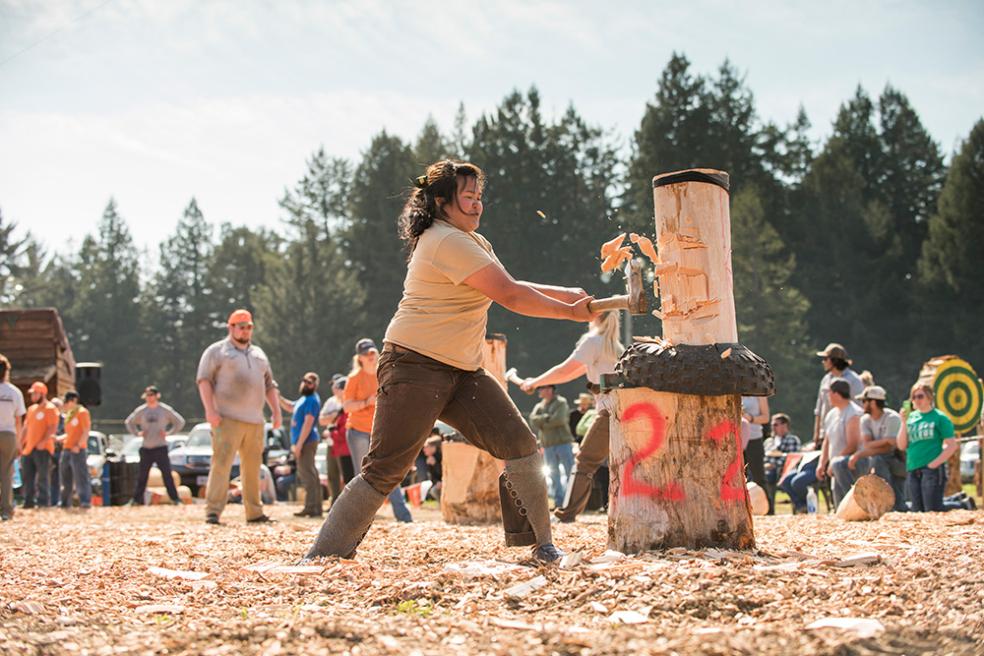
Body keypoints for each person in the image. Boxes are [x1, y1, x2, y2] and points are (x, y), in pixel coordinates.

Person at [303, 159, 595, 564]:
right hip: (414, 365)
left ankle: (543, 546)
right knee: (385, 470)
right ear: (442, 202)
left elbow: (510, 285)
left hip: (463, 371)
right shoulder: (445, 240)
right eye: (468, 198)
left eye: (480, 198)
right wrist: (569, 313)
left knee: (521, 446)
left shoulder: (474, 241)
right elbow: (508, 295)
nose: (477, 206)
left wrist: (568, 295)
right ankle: (321, 557)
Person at [520, 312, 622, 523]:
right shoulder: (614, 346)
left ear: (596, 318)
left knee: (585, 461)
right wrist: (537, 382)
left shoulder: (593, 341)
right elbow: (569, 374)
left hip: (610, 410)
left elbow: (565, 369)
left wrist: (534, 383)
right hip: (624, 409)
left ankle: (566, 514)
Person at [197, 309, 282, 525]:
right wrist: (210, 410)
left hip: (255, 420)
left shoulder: (259, 354)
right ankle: (213, 511)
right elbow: (204, 380)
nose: (245, 330)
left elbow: (269, 385)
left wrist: (276, 411)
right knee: (222, 463)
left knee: (253, 468)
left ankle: (254, 512)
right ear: (231, 327)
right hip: (227, 418)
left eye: (249, 326)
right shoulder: (217, 351)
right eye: (241, 326)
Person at [344, 338, 413, 523]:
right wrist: (367, 402)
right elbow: (347, 406)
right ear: (359, 358)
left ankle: (403, 516)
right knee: (362, 474)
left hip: (379, 429)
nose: (371, 357)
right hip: (357, 431)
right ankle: (358, 517)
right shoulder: (353, 379)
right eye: (367, 354)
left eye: (373, 353)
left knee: (389, 469)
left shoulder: (382, 372)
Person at [836, 385, 906, 511]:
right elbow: (869, 444)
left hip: (897, 461)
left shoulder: (892, 418)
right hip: (873, 457)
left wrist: (860, 453)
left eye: (864, 401)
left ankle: (886, 504)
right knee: (839, 464)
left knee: (878, 460)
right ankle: (855, 505)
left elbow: (890, 448)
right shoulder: (865, 420)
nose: (861, 404)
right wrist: (884, 441)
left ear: (873, 402)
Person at [897, 382, 959, 512]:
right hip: (913, 467)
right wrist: (903, 422)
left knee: (933, 509)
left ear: (930, 397)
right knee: (918, 510)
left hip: (932, 469)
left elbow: (952, 445)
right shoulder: (911, 418)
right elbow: (902, 445)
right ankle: (961, 501)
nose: (916, 400)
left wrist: (934, 464)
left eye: (920, 396)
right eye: (913, 397)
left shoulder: (940, 418)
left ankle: (963, 505)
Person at [125, 385, 185, 506]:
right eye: (147, 395)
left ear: (157, 396)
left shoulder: (164, 410)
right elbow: (128, 422)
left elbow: (180, 421)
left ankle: (175, 499)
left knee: (167, 474)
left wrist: (169, 433)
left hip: (160, 447)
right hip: (146, 447)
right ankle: (136, 500)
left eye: (152, 395)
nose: (150, 398)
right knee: (142, 476)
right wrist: (137, 433)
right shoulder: (142, 411)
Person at [279, 372, 322, 517]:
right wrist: (276, 395)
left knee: (307, 474)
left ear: (315, 385)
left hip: (307, 442)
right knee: (310, 473)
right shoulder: (303, 399)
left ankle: (312, 508)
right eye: (304, 381)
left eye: (309, 382)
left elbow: (308, 423)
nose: (305, 384)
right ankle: (315, 507)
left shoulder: (312, 400)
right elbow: (290, 406)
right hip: (305, 442)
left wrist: (298, 445)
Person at [817, 378, 863, 507]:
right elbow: (827, 440)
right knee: (838, 504)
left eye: (829, 393)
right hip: (836, 465)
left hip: (849, 466)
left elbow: (852, 444)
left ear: (836, 394)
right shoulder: (831, 414)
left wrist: (834, 462)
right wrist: (822, 463)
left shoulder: (854, 413)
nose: (827, 396)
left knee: (850, 502)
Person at [528, 385, 575, 508]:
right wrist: (547, 418)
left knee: (571, 472)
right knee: (554, 476)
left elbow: (559, 420)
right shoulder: (539, 406)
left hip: (563, 443)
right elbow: (532, 420)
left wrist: (542, 423)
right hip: (548, 445)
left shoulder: (561, 402)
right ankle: (559, 502)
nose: (539, 391)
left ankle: (573, 501)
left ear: (549, 390)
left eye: (541, 389)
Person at [813, 343, 865, 450]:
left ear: (834, 361)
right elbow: (819, 409)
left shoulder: (854, 381)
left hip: (845, 435)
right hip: (826, 433)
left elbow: (859, 409)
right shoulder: (825, 379)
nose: (823, 362)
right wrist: (817, 434)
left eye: (825, 358)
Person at [19, 381, 59, 509]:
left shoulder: (51, 408)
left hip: (43, 448)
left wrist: (43, 441)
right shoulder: (31, 409)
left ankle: (43, 502)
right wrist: (20, 444)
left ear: (42, 393)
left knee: (42, 476)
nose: (32, 396)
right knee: (27, 476)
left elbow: (52, 427)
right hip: (29, 448)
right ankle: (28, 501)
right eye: (32, 394)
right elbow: (25, 427)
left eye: (35, 393)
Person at [319, 375, 353, 505]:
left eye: (336, 387)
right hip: (338, 447)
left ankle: (348, 506)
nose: (334, 390)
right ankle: (339, 504)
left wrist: (331, 433)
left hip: (345, 447)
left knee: (348, 478)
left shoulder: (348, 405)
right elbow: (321, 420)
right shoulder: (333, 402)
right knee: (335, 475)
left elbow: (345, 429)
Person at [0, 354, 26, 521]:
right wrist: (19, 443)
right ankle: (6, 510)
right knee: (7, 473)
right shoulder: (14, 392)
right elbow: (19, 420)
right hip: (9, 435)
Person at [57, 391, 92, 509]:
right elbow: (69, 433)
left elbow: (86, 430)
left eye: (66, 402)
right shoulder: (70, 415)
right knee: (65, 477)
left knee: (80, 476)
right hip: (66, 448)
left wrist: (79, 444)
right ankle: (65, 501)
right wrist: (57, 439)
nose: (65, 405)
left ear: (73, 400)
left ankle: (85, 500)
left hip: (78, 450)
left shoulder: (82, 412)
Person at [763, 413, 800, 515]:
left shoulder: (792, 439)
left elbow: (792, 458)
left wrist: (775, 464)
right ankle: (765, 508)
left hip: (784, 470)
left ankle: (771, 509)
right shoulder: (769, 442)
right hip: (767, 469)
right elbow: (765, 457)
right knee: (758, 477)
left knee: (769, 476)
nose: (773, 427)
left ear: (785, 425)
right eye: (773, 425)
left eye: (776, 425)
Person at [742, 395, 770, 493]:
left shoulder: (759, 394)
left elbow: (766, 418)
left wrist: (751, 418)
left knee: (759, 478)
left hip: (754, 439)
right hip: (736, 440)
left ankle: (769, 508)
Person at [422, 435, 443, 500]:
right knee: (434, 490)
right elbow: (432, 478)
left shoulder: (443, 456)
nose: (424, 449)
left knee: (434, 491)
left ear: (433, 447)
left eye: (426, 447)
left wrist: (435, 464)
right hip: (440, 484)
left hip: (449, 482)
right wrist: (437, 482)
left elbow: (447, 473)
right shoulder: (429, 459)